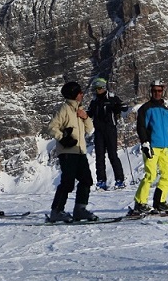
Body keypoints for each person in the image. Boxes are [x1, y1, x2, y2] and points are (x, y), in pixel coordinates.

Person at [48, 80, 97, 222]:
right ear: (74, 94)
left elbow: (90, 129)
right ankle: (56, 211)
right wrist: (62, 138)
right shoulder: (64, 109)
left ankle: (80, 209)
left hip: (80, 151)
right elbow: (52, 127)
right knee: (67, 182)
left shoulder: (79, 110)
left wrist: (85, 117)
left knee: (86, 180)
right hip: (68, 152)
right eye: (79, 92)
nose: (82, 94)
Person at [130, 80, 168, 216]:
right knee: (151, 175)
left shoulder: (165, 110)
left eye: (159, 91)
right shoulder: (146, 108)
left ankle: (160, 202)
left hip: (165, 148)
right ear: (151, 91)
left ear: (163, 91)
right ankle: (140, 203)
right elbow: (141, 127)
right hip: (152, 147)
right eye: (155, 91)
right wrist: (145, 143)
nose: (157, 93)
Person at [88, 78, 128, 190]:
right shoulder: (94, 101)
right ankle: (101, 181)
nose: (97, 91)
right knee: (99, 157)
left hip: (110, 130)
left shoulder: (112, 98)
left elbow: (125, 107)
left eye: (99, 88)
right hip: (99, 131)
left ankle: (119, 180)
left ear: (103, 87)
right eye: (95, 89)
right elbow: (89, 114)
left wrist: (118, 107)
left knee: (112, 155)